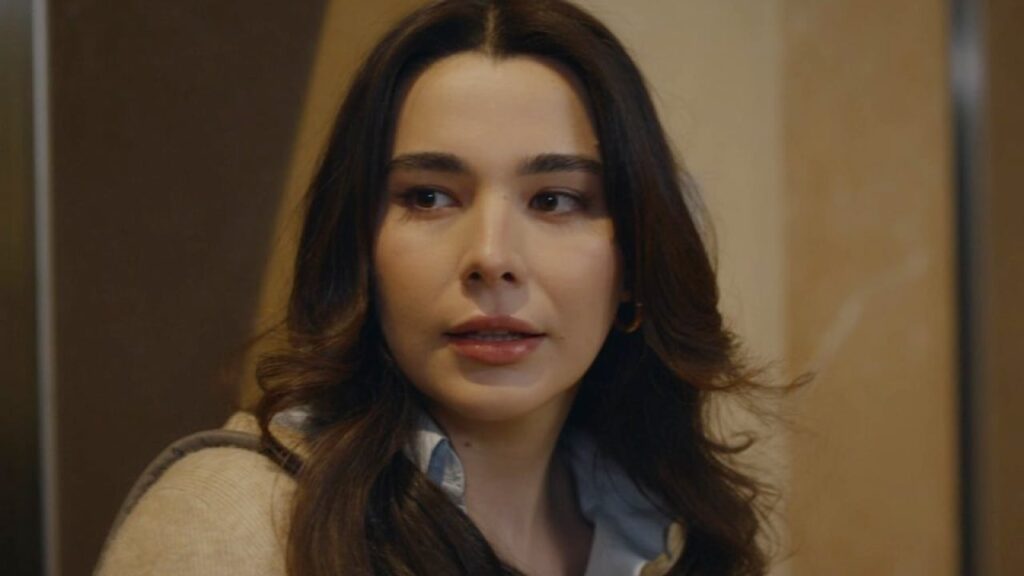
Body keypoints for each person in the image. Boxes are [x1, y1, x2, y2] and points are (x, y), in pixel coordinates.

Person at [96, 1, 776, 574]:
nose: (491, 257)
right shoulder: (234, 521)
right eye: (428, 197)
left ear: (635, 261)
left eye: (555, 200)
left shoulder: (666, 523)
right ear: (360, 247)